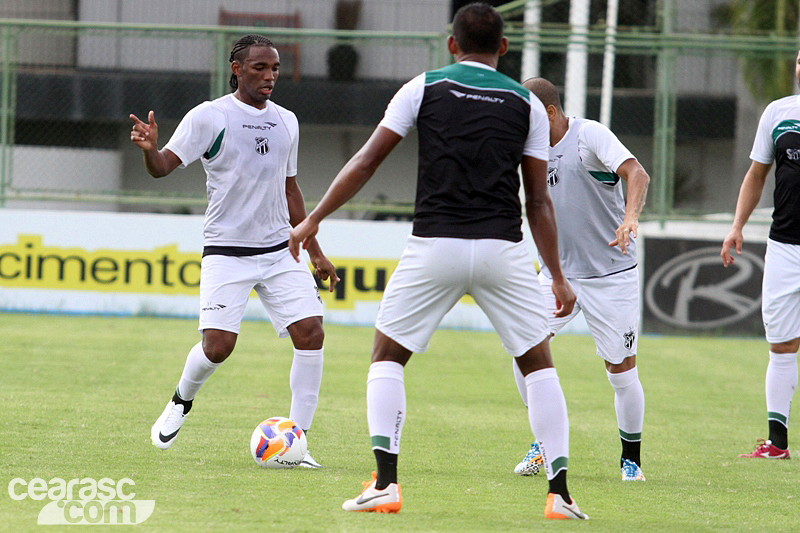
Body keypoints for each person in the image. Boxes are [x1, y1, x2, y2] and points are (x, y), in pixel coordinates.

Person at [290, 3, 588, 520]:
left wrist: (313, 219)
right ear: (504, 48)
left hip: (435, 244)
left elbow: (367, 160)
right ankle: (560, 495)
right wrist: (558, 277)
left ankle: (385, 484)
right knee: (539, 365)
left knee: (386, 357)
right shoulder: (528, 104)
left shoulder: (422, 87)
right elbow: (538, 200)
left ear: (452, 44)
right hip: (504, 249)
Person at [129, 34, 339, 468]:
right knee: (218, 346)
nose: (270, 76)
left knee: (312, 334)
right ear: (237, 69)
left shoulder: (287, 121)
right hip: (227, 250)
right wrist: (151, 151)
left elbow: (290, 188)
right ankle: (181, 401)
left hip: (282, 250)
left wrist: (314, 248)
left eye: (275, 68)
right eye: (260, 67)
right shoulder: (210, 116)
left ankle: (297, 443)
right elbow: (163, 167)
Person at [511, 78, 650, 482]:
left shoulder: (589, 135)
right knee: (523, 350)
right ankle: (544, 443)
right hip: (558, 275)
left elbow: (636, 173)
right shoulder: (529, 151)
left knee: (621, 371)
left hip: (611, 275)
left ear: (551, 113)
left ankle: (631, 461)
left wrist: (630, 218)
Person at [721, 48, 800, 460]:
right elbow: (756, 174)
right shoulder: (778, 112)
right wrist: (737, 226)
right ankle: (777, 443)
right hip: (785, 245)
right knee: (782, 344)